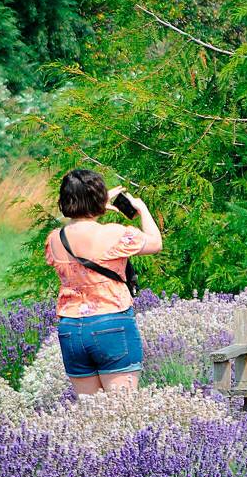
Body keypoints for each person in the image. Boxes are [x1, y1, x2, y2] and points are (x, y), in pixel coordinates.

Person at [45, 169, 162, 395]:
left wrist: (91, 204)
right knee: (121, 411)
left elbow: (76, 224)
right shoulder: (114, 234)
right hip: (111, 323)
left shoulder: (54, 239)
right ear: (99, 199)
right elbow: (155, 243)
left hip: (70, 329)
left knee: (92, 414)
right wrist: (142, 209)